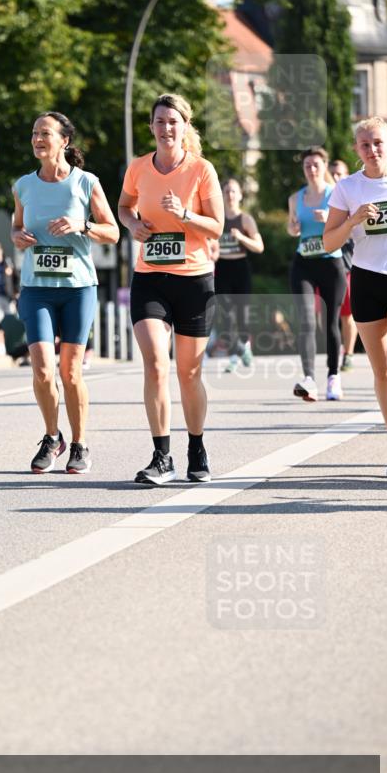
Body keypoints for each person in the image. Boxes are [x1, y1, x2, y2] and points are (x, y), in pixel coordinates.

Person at [118, 93, 224, 485]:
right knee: (155, 364)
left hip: (194, 281)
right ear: (151, 127)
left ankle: (196, 447)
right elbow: (125, 206)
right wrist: (131, 225)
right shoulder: (138, 168)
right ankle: (161, 456)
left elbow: (216, 226)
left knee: (189, 372)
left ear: (184, 127)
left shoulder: (201, 170)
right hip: (150, 278)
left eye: (173, 122)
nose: (166, 128)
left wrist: (185, 215)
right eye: (160, 121)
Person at [12, 111, 119, 473]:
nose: (38, 139)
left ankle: (79, 443)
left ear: (64, 141)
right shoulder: (23, 185)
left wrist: (82, 225)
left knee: (70, 372)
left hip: (77, 289)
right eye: (34, 133)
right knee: (43, 371)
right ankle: (51, 436)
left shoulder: (85, 183)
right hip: (36, 289)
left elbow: (113, 231)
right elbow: (16, 228)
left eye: (45, 133)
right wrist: (18, 237)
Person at [324, 117, 387, 477]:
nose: (373, 150)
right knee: (381, 370)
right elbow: (329, 242)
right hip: (367, 280)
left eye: (378, 143)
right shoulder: (347, 189)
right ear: (356, 150)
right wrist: (352, 221)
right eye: (365, 145)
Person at [287, 146, 346, 402]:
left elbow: (349, 228)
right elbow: (292, 228)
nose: (311, 170)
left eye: (316, 165)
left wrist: (328, 221)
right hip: (304, 264)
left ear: (325, 166)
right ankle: (309, 378)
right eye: (307, 166)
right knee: (307, 321)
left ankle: (333, 377)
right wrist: (293, 227)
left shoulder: (337, 194)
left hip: (332, 263)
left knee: (331, 322)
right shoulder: (295, 198)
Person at [212, 178, 264, 373]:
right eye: (226, 191)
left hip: (240, 267)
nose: (230, 195)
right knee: (226, 315)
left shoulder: (245, 219)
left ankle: (245, 347)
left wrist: (242, 237)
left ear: (240, 195)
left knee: (242, 314)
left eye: (233, 191)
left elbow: (259, 247)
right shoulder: (216, 218)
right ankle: (234, 355)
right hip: (222, 267)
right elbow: (209, 243)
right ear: (222, 195)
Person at [329, 158, 358, 371]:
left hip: (348, 264)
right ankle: (335, 349)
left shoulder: (353, 196)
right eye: (333, 173)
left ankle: (347, 353)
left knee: (348, 314)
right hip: (326, 265)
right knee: (328, 316)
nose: (336, 177)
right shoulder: (322, 197)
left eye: (340, 173)